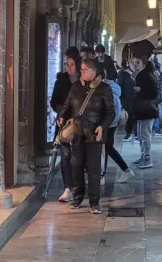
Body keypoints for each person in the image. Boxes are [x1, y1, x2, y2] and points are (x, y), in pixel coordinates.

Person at [57, 56, 116, 213]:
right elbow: (67, 104)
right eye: (81, 69)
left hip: (94, 133)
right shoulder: (76, 87)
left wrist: (103, 126)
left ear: (94, 71)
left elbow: (110, 112)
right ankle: (77, 197)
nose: (82, 72)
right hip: (77, 132)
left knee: (94, 168)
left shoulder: (104, 88)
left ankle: (94, 201)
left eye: (85, 69)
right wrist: (62, 115)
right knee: (76, 165)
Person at [49, 47, 81, 203]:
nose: (68, 68)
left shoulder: (85, 82)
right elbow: (53, 101)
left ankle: (77, 187)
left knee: (78, 158)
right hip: (64, 126)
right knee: (65, 157)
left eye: (72, 64)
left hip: (80, 125)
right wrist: (61, 111)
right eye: (67, 64)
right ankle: (68, 188)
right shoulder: (61, 81)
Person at [130, 56, 159, 169]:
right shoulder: (144, 74)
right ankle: (143, 156)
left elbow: (148, 90)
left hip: (146, 109)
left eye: (138, 62)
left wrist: (134, 89)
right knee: (141, 134)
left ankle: (147, 159)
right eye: (134, 62)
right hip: (143, 109)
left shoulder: (144, 75)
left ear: (143, 64)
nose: (135, 64)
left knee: (145, 135)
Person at [117, 58, 136, 141]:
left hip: (135, 99)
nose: (135, 65)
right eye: (133, 63)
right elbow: (119, 87)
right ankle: (128, 133)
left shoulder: (136, 74)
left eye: (136, 63)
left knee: (134, 117)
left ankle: (136, 134)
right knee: (129, 117)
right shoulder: (123, 75)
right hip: (126, 100)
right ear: (129, 64)